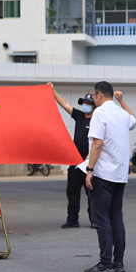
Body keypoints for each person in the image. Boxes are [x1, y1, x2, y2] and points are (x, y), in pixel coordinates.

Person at [83, 81, 136, 272]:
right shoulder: (123, 114)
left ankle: (105, 262)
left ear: (98, 95)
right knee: (116, 217)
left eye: (93, 96)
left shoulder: (100, 113)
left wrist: (90, 170)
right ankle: (118, 262)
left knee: (101, 219)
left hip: (103, 173)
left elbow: (97, 143)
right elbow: (134, 119)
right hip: (120, 175)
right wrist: (122, 101)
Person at [49, 82, 95, 229]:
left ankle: (95, 220)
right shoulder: (79, 116)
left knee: (91, 194)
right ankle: (72, 219)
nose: (85, 105)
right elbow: (64, 104)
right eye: (84, 103)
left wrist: (90, 161)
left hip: (89, 164)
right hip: (75, 163)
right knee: (72, 192)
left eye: (88, 103)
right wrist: (53, 90)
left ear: (94, 106)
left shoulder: (98, 119)